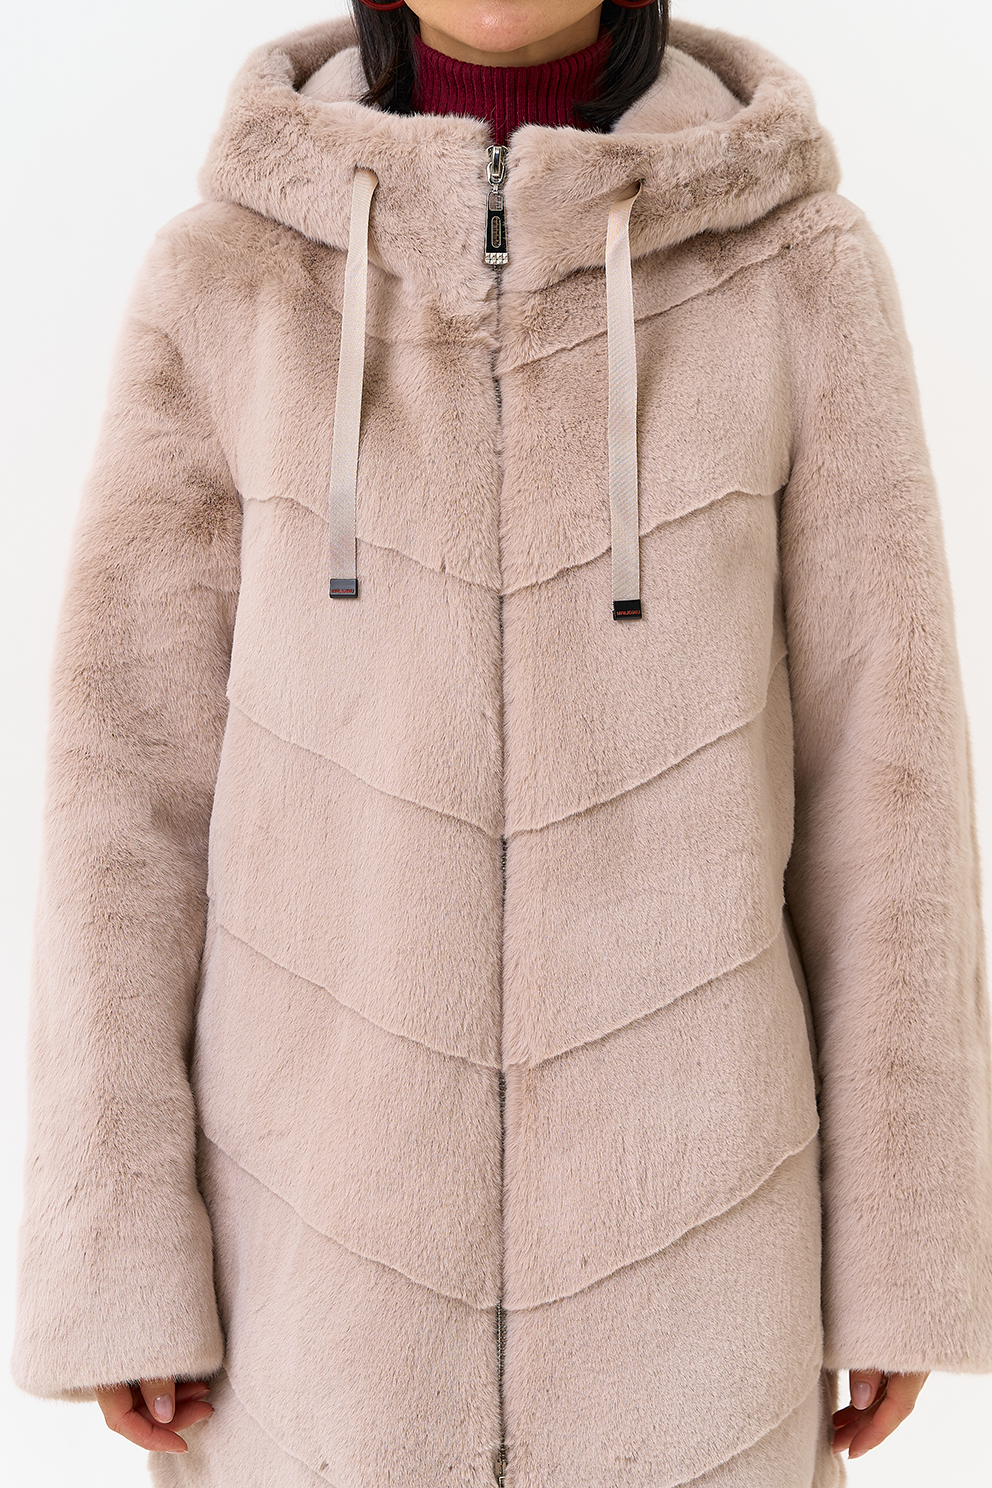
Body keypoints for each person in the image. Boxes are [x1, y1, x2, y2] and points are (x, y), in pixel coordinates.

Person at [11, 3, 992, 1484]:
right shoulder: (231, 278)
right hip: (310, 1298)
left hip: (702, 1276)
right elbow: (121, 797)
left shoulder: (798, 270)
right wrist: (119, 1253)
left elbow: (891, 787)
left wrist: (901, 1252)